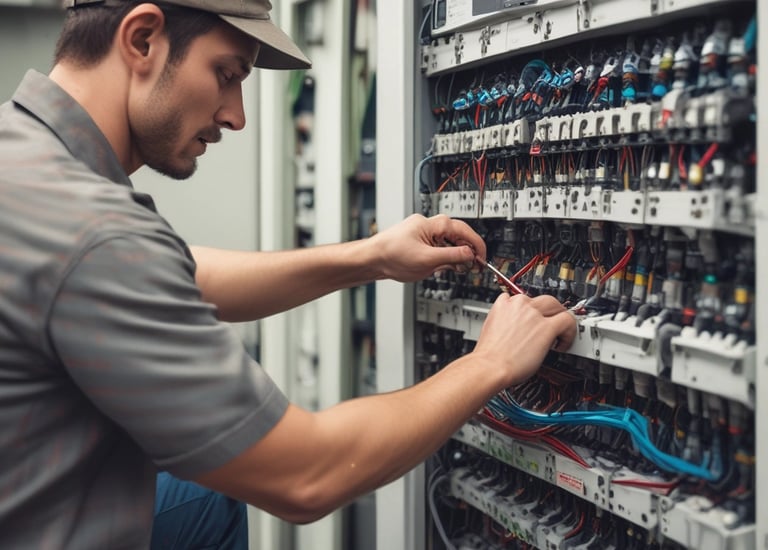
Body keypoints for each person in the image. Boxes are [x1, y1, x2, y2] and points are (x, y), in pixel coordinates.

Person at [0, 1, 577, 548]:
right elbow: (306, 474)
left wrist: (372, 255)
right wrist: (490, 363)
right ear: (142, 39)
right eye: (226, 73)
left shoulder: (26, 159)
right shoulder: (97, 235)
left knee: (201, 499)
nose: (237, 115)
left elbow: (181, 272)